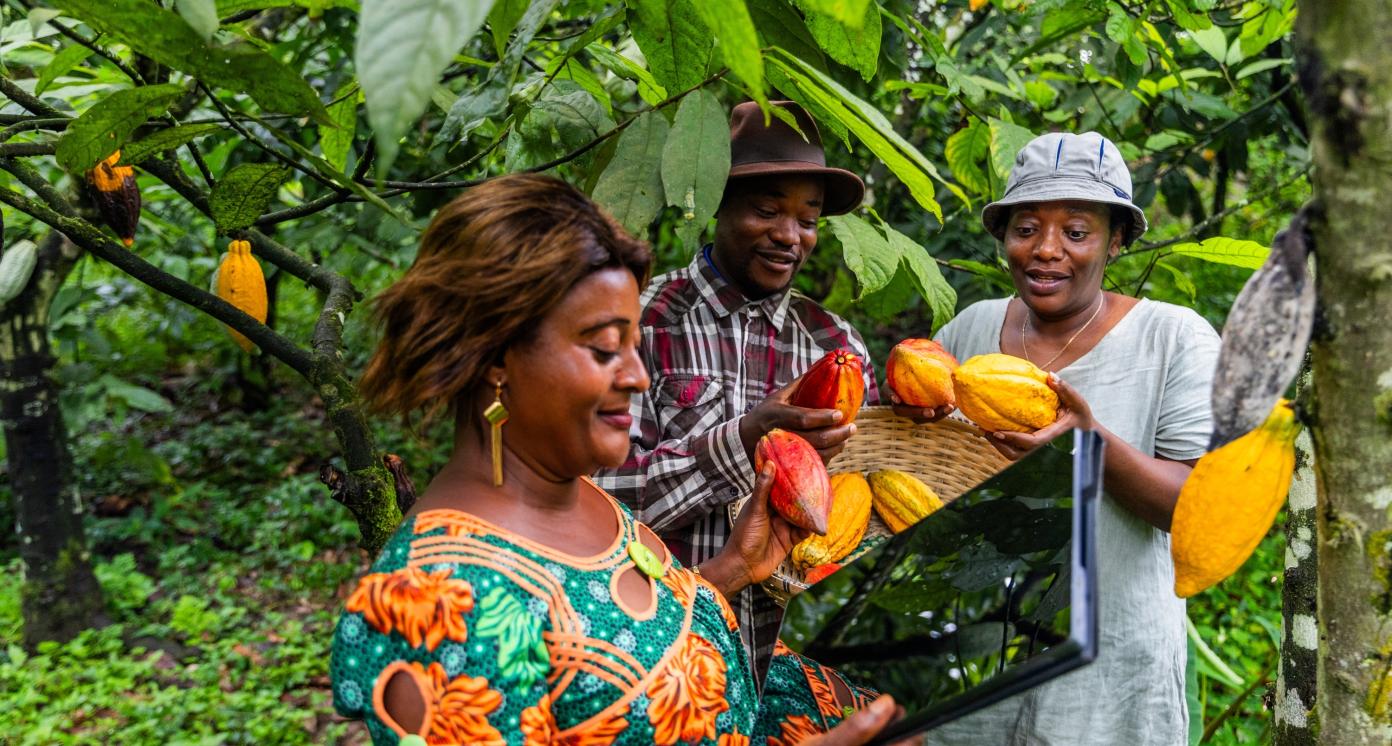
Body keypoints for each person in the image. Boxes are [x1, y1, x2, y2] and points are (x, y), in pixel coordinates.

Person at [329, 173, 903, 745]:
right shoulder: (439, 600)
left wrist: (734, 569)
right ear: (496, 358)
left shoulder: (585, 496)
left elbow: (636, 644)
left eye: (633, 345)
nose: (637, 375)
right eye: (605, 348)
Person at [921, 131, 1219, 744]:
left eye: (1076, 232)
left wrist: (1088, 444)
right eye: (1026, 228)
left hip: (1108, 683)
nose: (1046, 250)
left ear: (1116, 241)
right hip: (970, 678)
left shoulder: (1173, 339)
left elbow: (1198, 513)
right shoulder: (969, 330)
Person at [594, 101, 880, 679]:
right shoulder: (643, 319)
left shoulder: (833, 345)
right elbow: (594, 499)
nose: (789, 236)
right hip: (643, 649)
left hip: (767, 672)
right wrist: (742, 440)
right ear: (719, 205)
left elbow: (858, 507)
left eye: (807, 220)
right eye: (767, 210)